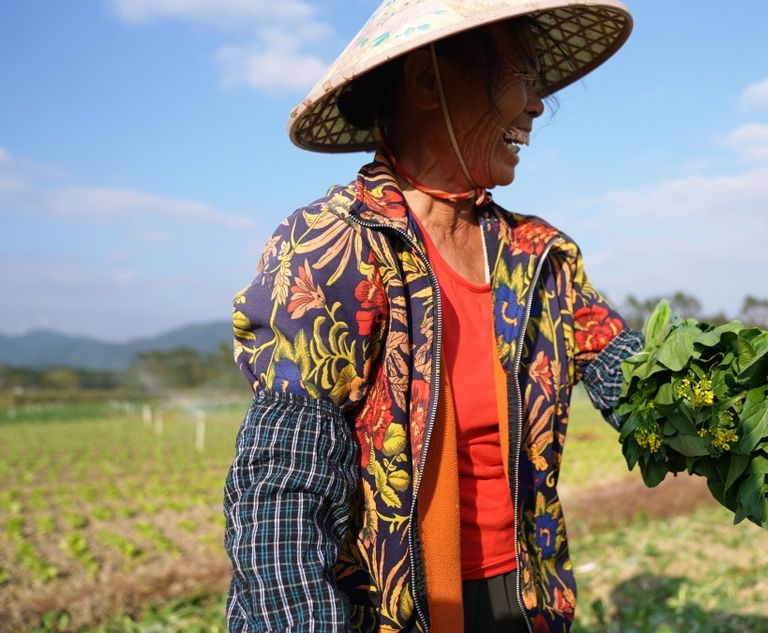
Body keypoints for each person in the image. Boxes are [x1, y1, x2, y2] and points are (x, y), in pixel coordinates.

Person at [223, 2, 636, 632]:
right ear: (425, 81)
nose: (535, 106)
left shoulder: (539, 258)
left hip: (526, 599)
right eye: (521, 76)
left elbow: (636, 378)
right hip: (394, 612)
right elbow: (285, 483)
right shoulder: (332, 251)